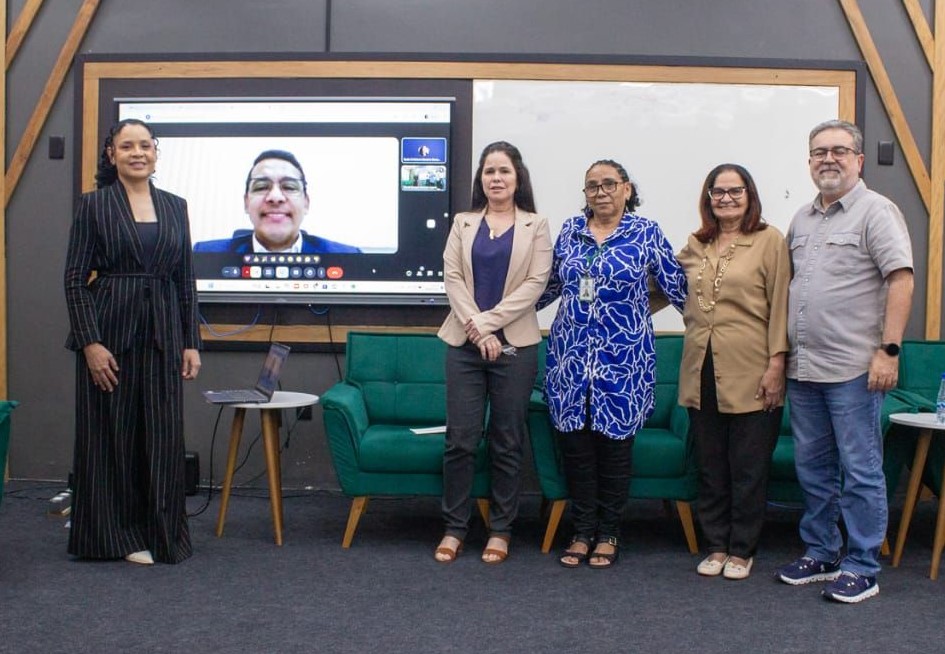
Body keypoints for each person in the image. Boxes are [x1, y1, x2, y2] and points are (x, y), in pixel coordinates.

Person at [776, 120, 914, 603]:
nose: (828, 159)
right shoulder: (802, 218)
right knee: (813, 469)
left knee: (860, 470)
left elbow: (901, 279)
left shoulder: (877, 211)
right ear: (809, 161)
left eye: (839, 150)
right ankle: (822, 551)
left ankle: (862, 565)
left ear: (858, 159)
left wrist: (889, 350)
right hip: (805, 369)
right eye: (819, 152)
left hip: (855, 368)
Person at [64, 118, 202, 565]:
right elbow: (74, 280)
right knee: (111, 438)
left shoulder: (176, 206)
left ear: (156, 153)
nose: (137, 153)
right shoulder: (93, 206)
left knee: (162, 438)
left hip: (163, 335)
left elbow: (185, 279)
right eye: (127, 146)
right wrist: (90, 343)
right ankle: (115, 538)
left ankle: (163, 535)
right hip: (110, 335)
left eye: (145, 145)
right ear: (112, 154)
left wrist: (190, 340)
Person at [540, 159, 687, 569]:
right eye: (592, 186)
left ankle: (609, 533)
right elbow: (549, 287)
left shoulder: (646, 233)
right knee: (576, 449)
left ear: (626, 189)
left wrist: (716, 329)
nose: (600, 192)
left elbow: (678, 288)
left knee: (615, 450)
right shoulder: (570, 231)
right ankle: (581, 530)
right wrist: (499, 316)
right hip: (570, 360)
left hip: (624, 361)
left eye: (609, 184)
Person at [435, 141, 552, 564]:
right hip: (463, 346)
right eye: (489, 171)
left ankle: (501, 530)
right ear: (480, 179)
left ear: (518, 178)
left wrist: (488, 323)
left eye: (504, 171)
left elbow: (536, 283)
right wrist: (477, 327)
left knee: (506, 441)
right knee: (461, 441)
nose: (496, 178)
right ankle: (454, 527)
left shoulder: (536, 225)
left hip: (515, 346)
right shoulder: (463, 222)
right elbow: (452, 279)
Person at [677, 164, 790, 580]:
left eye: (734, 191)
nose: (726, 198)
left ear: (749, 194)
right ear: (708, 198)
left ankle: (742, 550)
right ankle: (716, 545)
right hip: (700, 369)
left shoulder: (769, 240)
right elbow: (663, 287)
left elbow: (781, 305)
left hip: (752, 368)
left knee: (747, 467)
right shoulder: (696, 243)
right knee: (710, 465)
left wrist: (777, 364)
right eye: (718, 191)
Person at [192, 149, 361, 254]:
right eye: (261, 187)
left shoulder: (348, 257)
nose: (275, 197)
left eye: (289, 186)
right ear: (246, 203)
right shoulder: (204, 254)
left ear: (306, 203)